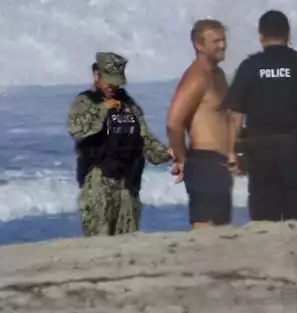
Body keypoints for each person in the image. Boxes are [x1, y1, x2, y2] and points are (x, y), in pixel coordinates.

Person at [223, 10, 297, 222]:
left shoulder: (250, 67)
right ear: (288, 35)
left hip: (259, 150)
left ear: (261, 36)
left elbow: (235, 116)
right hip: (296, 148)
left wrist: (231, 154)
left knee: (264, 216)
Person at [67, 52, 173, 236]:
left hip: (128, 185)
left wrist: (169, 153)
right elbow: (77, 130)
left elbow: (144, 138)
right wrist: (102, 109)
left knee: (128, 243)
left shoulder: (128, 104)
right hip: (99, 184)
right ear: (96, 75)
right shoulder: (85, 102)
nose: (112, 87)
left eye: (116, 82)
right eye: (109, 81)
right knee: (99, 245)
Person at [166, 18, 234, 228]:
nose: (222, 45)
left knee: (224, 235)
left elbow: (224, 119)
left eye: (223, 40)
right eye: (216, 41)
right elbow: (173, 122)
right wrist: (182, 157)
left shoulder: (218, 75)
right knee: (204, 238)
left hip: (221, 165)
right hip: (204, 163)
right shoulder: (196, 78)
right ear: (199, 45)